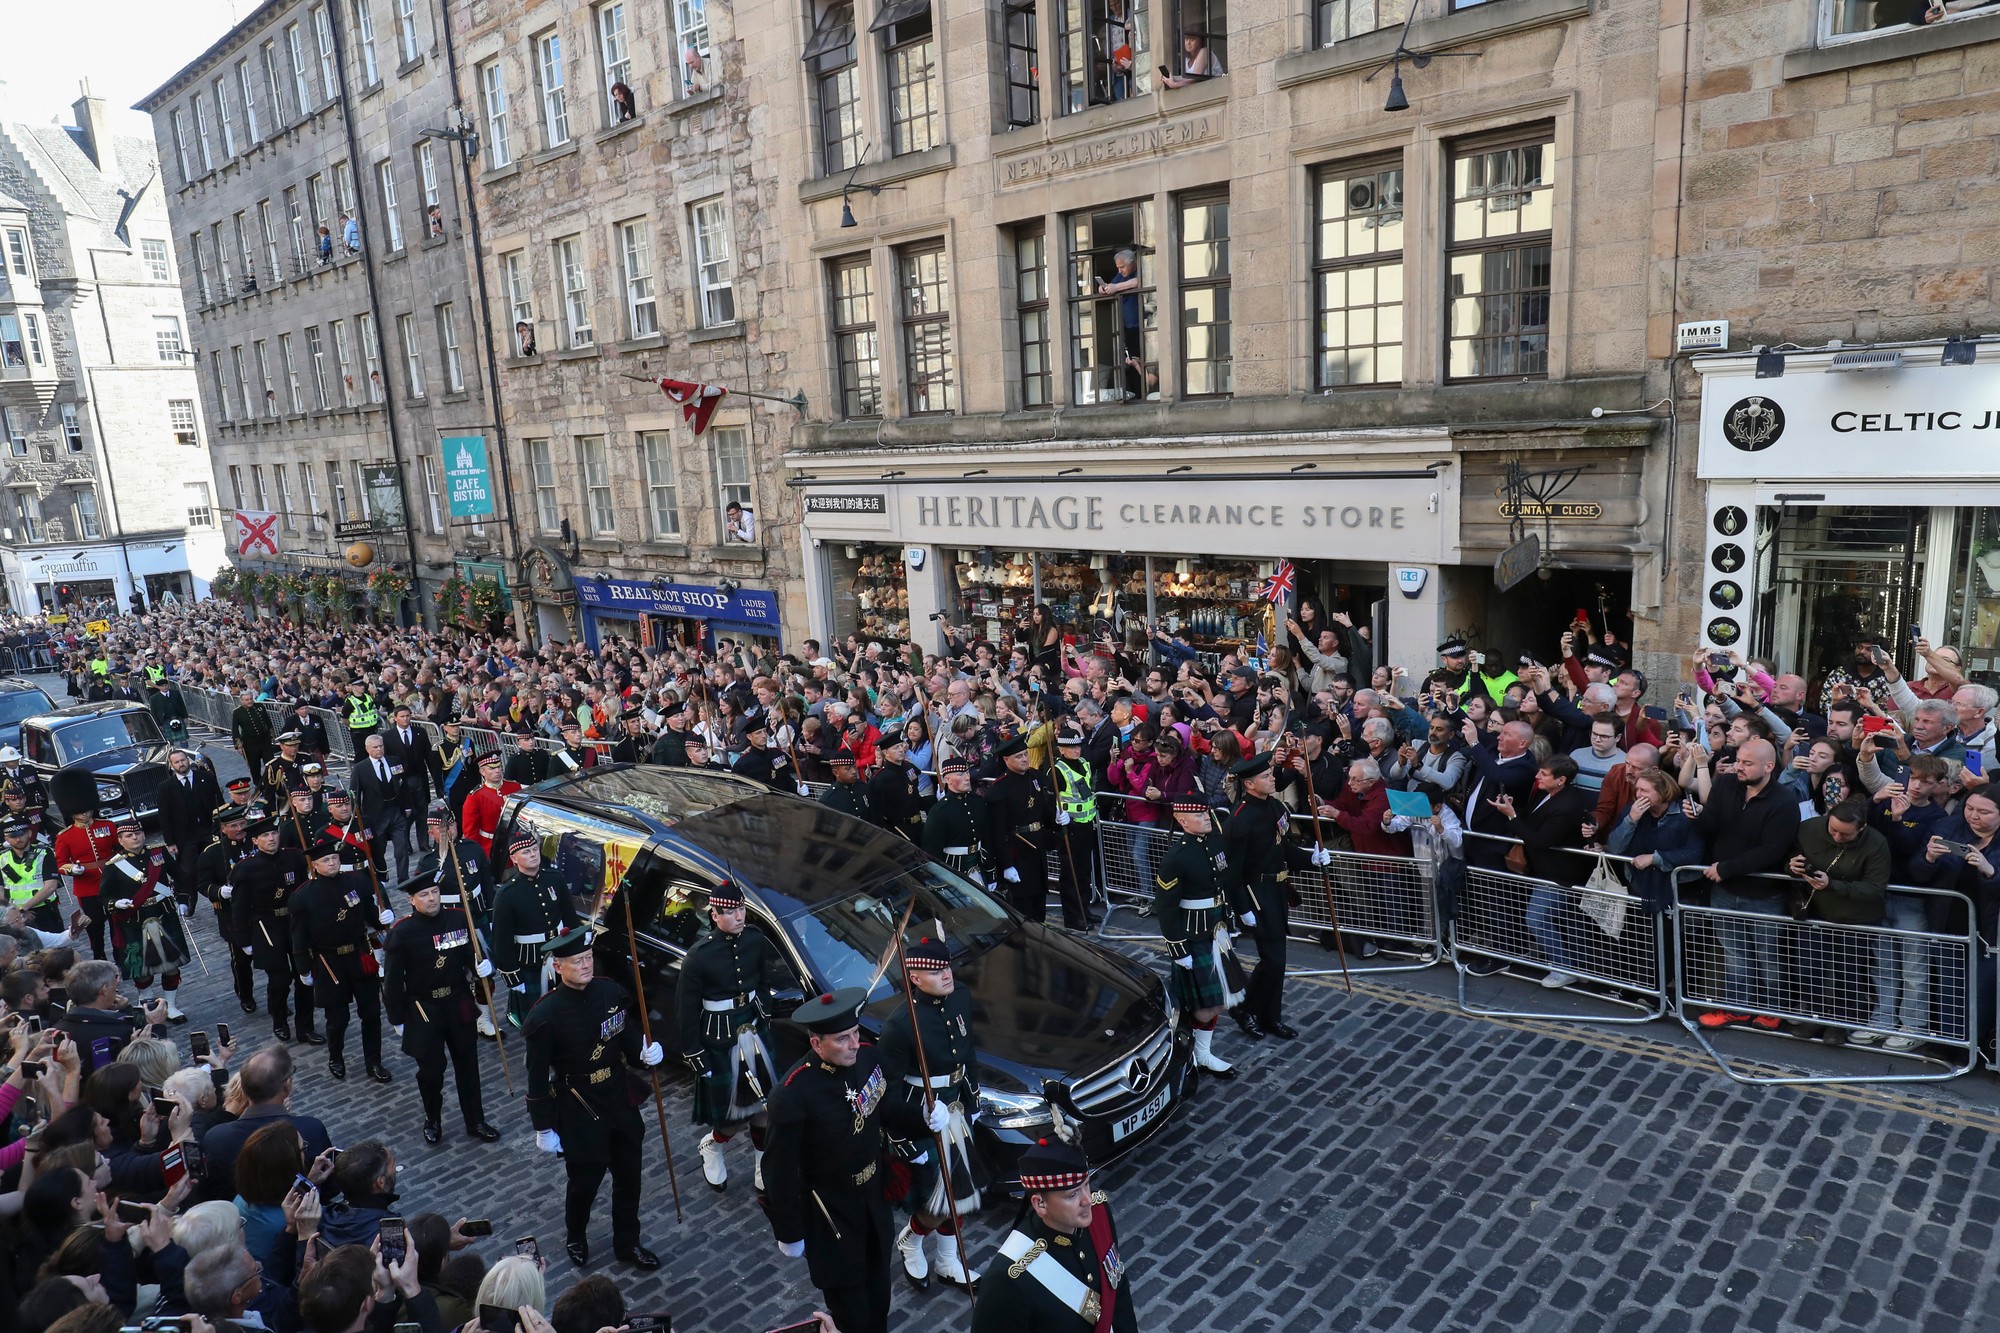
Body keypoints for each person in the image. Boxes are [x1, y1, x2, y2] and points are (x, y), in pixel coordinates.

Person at [764, 988, 942, 1333]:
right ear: (817, 1044)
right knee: (853, 1312)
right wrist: (789, 1230)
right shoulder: (793, 1095)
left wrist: (924, 1118)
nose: (853, 1044)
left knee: (879, 1296)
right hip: (831, 1212)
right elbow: (779, 1171)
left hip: (873, 1195)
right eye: (842, 1039)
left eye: (856, 1034)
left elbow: (885, 1109)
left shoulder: (868, 1060)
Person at [524, 924, 664, 1269]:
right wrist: (543, 1126)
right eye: (577, 961)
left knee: (630, 1179)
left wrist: (643, 1052)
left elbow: (625, 1033)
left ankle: (627, 1243)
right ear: (558, 967)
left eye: (588, 958)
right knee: (584, 1183)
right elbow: (537, 1076)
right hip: (579, 1105)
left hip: (618, 1097)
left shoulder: (610, 993)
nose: (586, 966)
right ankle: (576, 1234)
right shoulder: (545, 1016)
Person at [880, 936, 982, 1291]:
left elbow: (967, 1053)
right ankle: (911, 1237)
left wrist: (973, 1101)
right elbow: (887, 1094)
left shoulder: (962, 997)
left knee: (961, 1194)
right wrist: (919, 1118)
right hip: (921, 1114)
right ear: (915, 978)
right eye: (935, 971)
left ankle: (948, 1260)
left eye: (947, 966)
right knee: (935, 1201)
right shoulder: (900, 1025)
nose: (946, 974)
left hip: (955, 1107)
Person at [674, 881, 782, 1194]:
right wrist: (695, 1053)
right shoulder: (699, 956)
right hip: (719, 1035)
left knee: (764, 1105)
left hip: (753, 1027)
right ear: (715, 914)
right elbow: (686, 1009)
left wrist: (764, 1009)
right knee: (731, 1115)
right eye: (731, 911)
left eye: (742, 909)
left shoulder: (755, 939)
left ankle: (762, 1162)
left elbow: (763, 981)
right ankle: (714, 1144)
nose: (739, 916)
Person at [1686, 738, 1801, 1029]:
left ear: (1769, 766)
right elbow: (1712, 824)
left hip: (1763, 894)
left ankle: (1772, 1010)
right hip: (1724, 890)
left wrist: (1726, 869)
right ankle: (1736, 1008)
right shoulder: (1726, 785)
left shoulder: (1784, 802)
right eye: (1739, 760)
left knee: (1768, 955)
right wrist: (1697, 818)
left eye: (1747, 763)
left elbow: (1771, 850)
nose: (1739, 767)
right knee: (1735, 955)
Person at [969, 1136, 1138, 1332]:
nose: (1087, 1201)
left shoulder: (1099, 1214)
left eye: (1086, 1185)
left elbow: (1119, 1295)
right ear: (1040, 1204)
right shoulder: (1008, 1276)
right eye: (1072, 1194)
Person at [383, 873, 500, 1144]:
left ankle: (476, 1120)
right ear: (412, 900)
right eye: (423, 895)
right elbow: (392, 981)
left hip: (457, 1003)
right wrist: (397, 1018)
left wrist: (482, 967)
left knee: (468, 1065)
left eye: (434, 891)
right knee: (431, 1072)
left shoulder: (458, 919)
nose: (432, 898)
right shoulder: (402, 933)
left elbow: (472, 954)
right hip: (423, 1009)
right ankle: (432, 1118)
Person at [290, 834, 395, 1083]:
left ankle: (374, 1062)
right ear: (314, 865)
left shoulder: (356, 881)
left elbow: (370, 913)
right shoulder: (303, 896)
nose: (332, 864)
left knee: (371, 1014)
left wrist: (382, 918)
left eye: (335, 858)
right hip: (329, 961)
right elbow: (299, 937)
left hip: (359, 955)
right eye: (325, 860)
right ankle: (335, 1057)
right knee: (337, 1019)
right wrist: (303, 969)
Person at [1155, 796, 1246, 1079]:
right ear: (1182, 821)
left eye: (1206, 813)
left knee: (1221, 997)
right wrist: (1178, 949)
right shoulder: (1176, 858)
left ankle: (1202, 1053)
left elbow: (1225, 883)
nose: (1206, 817)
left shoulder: (1216, 842)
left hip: (1216, 930)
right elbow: (1166, 907)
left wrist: (1232, 919)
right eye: (1198, 816)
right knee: (1207, 1005)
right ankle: (1189, 1050)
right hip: (1193, 936)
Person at [1221, 751, 1295, 1041]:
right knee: (1273, 959)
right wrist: (1242, 909)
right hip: (1255, 894)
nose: (1272, 778)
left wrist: (1313, 859)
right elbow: (1232, 873)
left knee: (1277, 959)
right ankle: (1247, 1009)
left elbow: (1283, 847)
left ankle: (1269, 1015)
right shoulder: (1239, 820)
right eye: (1265, 776)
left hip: (1277, 890)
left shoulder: (1275, 807)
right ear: (1250, 785)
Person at [232, 815, 319, 1045]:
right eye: (265, 836)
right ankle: (280, 1021)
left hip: (294, 923)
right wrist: (244, 940)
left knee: (305, 977)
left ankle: (305, 1027)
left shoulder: (294, 858)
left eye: (273, 834)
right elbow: (239, 907)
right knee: (279, 980)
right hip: (267, 926)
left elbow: (305, 888)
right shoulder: (245, 869)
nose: (271, 839)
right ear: (255, 841)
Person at [102, 814, 191, 1022]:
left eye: (138, 833)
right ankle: (147, 1000)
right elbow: (104, 896)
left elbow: (180, 875)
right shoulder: (113, 865)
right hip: (134, 919)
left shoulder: (158, 853)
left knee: (171, 964)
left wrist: (183, 899)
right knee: (141, 969)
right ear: (120, 840)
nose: (135, 838)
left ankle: (171, 1006)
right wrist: (115, 903)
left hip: (163, 913)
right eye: (129, 835)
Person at [490, 830, 579, 1028]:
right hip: (530, 961)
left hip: (560, 953)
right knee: (537, 1016)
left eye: (534, 849)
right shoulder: (506, 894)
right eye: (526, 852)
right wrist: (513, 976)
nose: (532, 854)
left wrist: (577, 947)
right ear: (514, 859)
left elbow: (569, 917)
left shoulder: (555, 878)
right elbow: (502, 941)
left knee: (567, 1007)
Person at [199, 804, 261, 1015]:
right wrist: (218, 891)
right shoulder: (213, 853)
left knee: (272, 954)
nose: (239, 828)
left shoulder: (256, 842)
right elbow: (203, 884)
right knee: (241, 960)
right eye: (233, 825)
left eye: (242, 823)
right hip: (232, 913)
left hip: (260, 907)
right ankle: (246, 995)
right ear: (223, 829)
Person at [986, 734, 1055, 921]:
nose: (1025, 759)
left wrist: (1056, 817)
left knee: (1039, 900)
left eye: (1025, 754)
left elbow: (1042, 808)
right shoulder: (999, 789)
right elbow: (998, 832)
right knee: (1023, 906)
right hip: (1017, 849)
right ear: (1006, 760)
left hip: (1037, 846)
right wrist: (1006, 864)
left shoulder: (1034, 777)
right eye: (1019, 756)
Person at [1050, 724, 1099, 929]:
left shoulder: (1084, 763)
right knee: (1070, 875)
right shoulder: (1057, 770)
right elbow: (1049, 798)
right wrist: (1057, 815)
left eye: (1078, 746)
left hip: (1086, 825)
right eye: (1072, 748)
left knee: (1084, 871)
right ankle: (1072, 917)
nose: (1076, 750)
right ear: (1061, 749)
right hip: (1069, 828)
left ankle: (1084, 910)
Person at [923, 757, 990, 886]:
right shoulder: (940, 811)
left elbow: (986, 837)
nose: (967, 777)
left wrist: (990, 870)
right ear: (947, 779)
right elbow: (932, 852)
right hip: (953, 869)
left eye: (967, 772)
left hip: (978, 865)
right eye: (960, 774)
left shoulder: (977, 802)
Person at [867, 726, 924, 841]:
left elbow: (914, 795)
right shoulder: (880, 779)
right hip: (899, 830)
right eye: (895, 748)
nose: (900, 750)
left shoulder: (909, 768)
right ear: (885, 752)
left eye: (901, 746)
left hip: (918, 825)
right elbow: (877, 812)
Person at [459, 753, 518, 858]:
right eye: (491, 768)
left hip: (517, 844)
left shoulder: (515, 787)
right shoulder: (475, 797)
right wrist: (478, 854)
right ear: (482, 772)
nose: (497, 771)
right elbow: (470, 832)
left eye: (499, 767)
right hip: (491, 848)